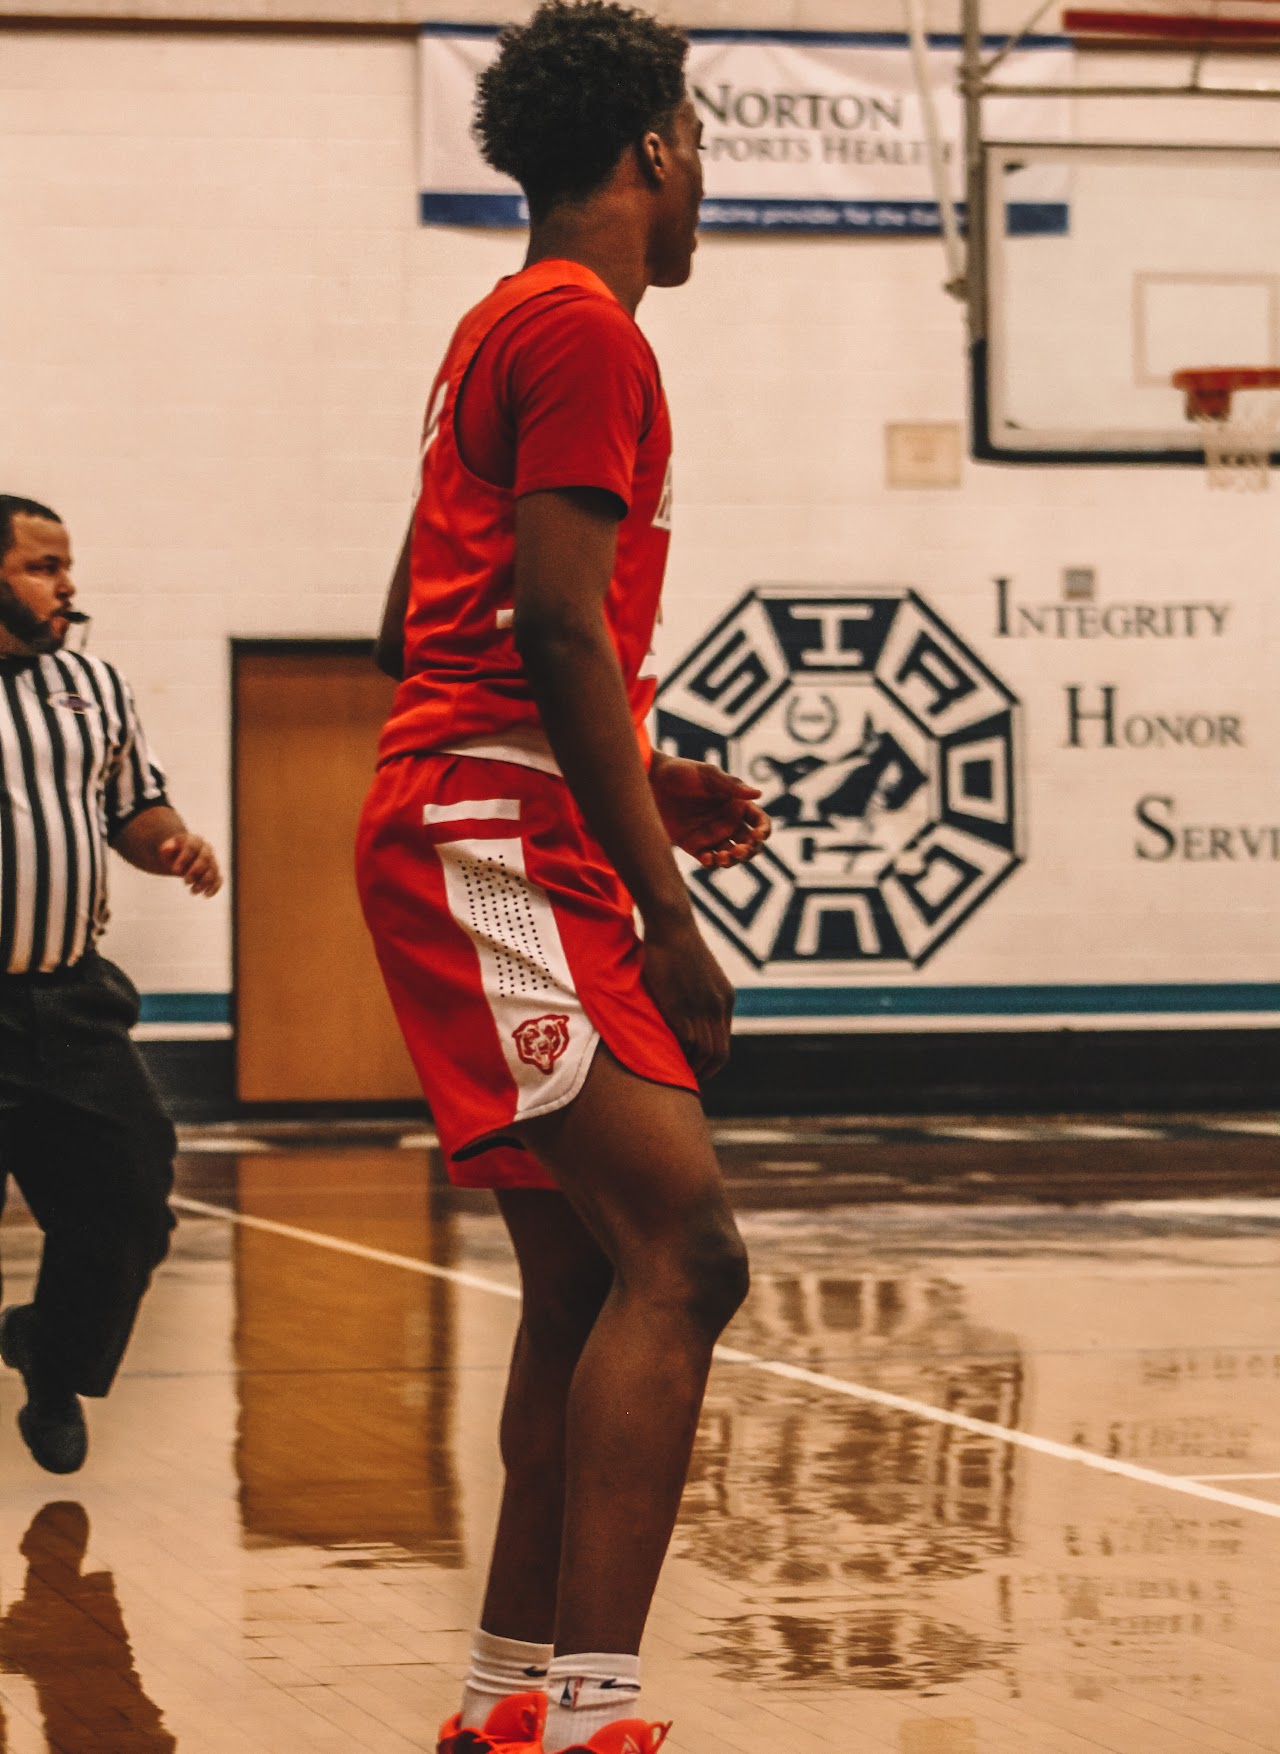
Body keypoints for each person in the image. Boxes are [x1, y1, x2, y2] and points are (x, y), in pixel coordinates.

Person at [356, 6, 771, 1751]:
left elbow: (414, 626)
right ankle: (595, 1715)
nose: (704, 183)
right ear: (656, 151)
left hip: (485, 807)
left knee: (595, 1274)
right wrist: (668, 909)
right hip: (493, 838)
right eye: (700, 147)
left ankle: (505, 1700)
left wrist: (641, 770)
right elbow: (541, 623)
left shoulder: (495, 324)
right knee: (688, 1248)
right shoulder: (591, 332)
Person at [0, 494, 221, 1475]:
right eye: (43, 566)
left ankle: (51, 1360)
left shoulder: (93, 682)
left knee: (131, 1204)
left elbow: (131, 805)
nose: (67, 584)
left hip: (68, 1001)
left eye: (65, 565)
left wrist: (169, 842)